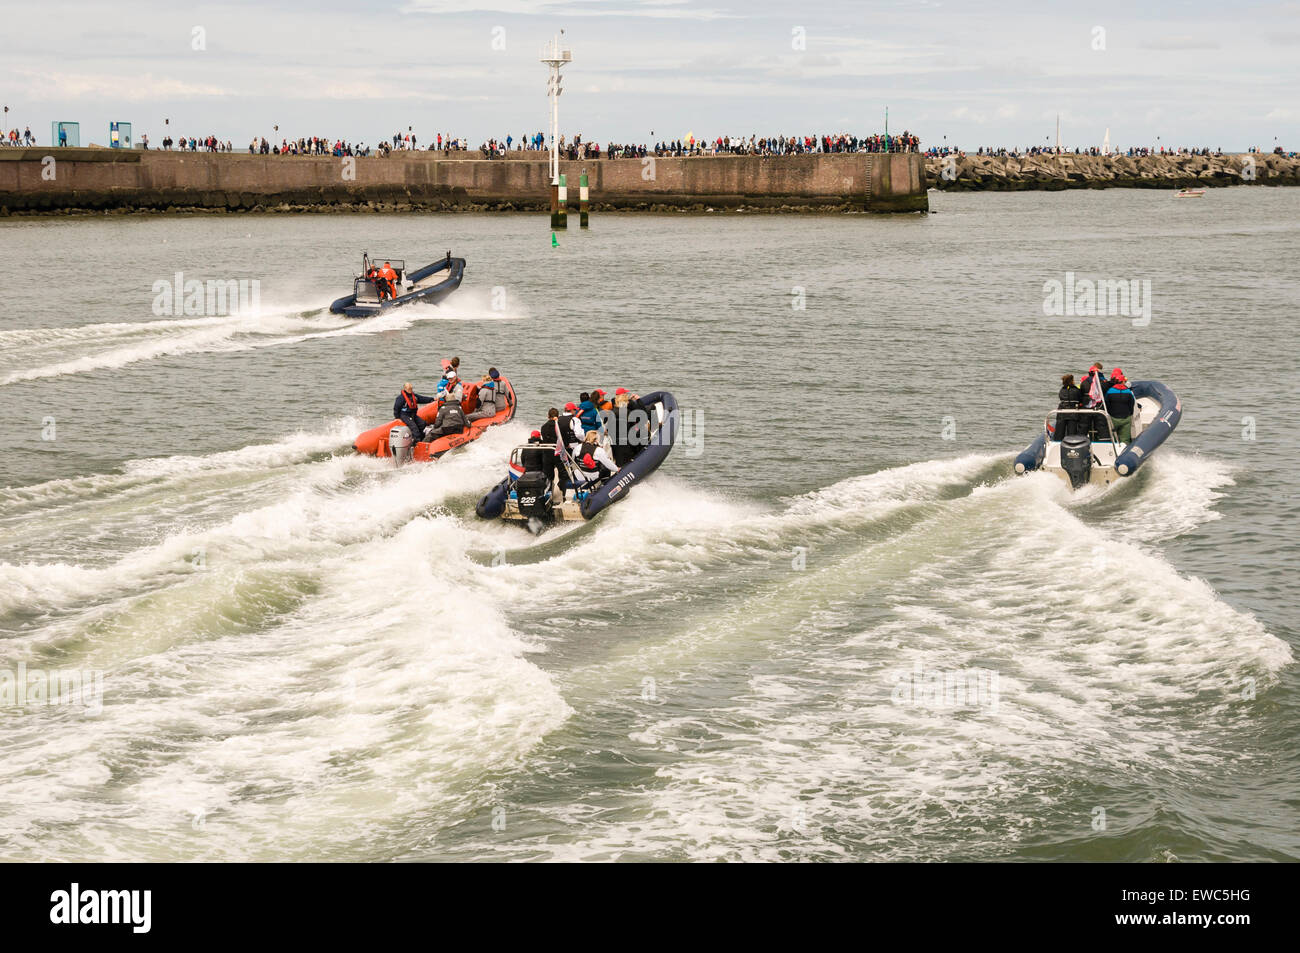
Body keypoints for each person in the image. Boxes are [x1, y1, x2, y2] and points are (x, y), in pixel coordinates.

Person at [1103, 368, 1136, 443]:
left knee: (1112, 437)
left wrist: (1109, 413)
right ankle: (1124, 452)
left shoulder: (1109, 391)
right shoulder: (1128, 391)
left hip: (1113, 418)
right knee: (1125, 439)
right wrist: (1130, 414)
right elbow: (1132, 404)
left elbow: (1106, 403)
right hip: (1126, 418)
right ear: (1123, 381)